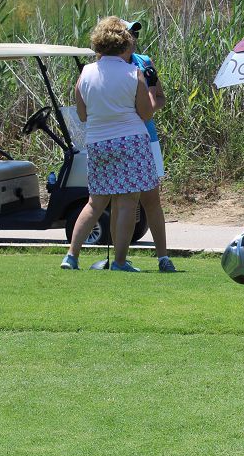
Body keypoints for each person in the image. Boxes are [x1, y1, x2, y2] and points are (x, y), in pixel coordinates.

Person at [60, 16, 155, 272]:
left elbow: (82, 115)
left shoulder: (85, 74)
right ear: (124, 43)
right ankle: (120, 262)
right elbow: (146, 113)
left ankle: (71, 255)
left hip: (98, 142)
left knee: (95, 203)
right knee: (126, 202)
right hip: (131, 141)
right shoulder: (133, 73)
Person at [121, 19, 176, 273]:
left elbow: (159, 100)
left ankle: (163, 257)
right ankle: (120, 259)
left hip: (147, 138)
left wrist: (150, 102)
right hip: (120, 137)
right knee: (123, 200)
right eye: (128, 33)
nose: (133, 37)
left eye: (134, 33)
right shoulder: (106, 65)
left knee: (151, 199)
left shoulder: (144, 61)